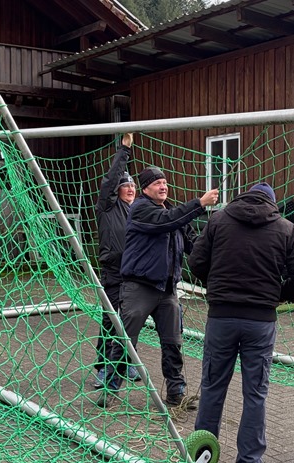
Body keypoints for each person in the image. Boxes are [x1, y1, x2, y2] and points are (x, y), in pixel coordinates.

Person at [187, 182, 294, 463]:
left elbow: (195, 262)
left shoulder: (218, 220)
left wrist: (217, 286)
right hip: (260, 321)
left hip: (221, 317)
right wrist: (278, 295)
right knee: (255, 394)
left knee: (212, 388)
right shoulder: (286, 228)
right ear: (272, 203)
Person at [96, 166, 219, 409]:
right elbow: (166, 222)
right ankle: (110, 388)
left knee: (173, 342)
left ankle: (176, 391)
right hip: (138, 288)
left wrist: (215, 254)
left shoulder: (173, 212)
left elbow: (192, 243)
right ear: (145, 189)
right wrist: (199, 204)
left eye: (164, 182)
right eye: (157, 183)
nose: (163, 186)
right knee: (125, 340)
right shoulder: (141, 209)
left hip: (167, 290)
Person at [93, 133, 141, 386]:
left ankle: (127, 363)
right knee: (110, 320)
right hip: (113, 272)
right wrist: (124, 150)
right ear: (117, 190)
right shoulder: (107, 207)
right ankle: (103, 366)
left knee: (131, 320)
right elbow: (111, 179)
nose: (131, 189)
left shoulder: (138, 210)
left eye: (133, 186)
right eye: (126, 186)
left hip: (134, 274)